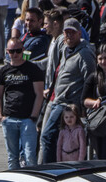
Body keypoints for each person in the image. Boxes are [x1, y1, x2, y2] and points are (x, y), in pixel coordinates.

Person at [39, 18, 95, 164]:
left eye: (72, 33)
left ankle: (48, 169)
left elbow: (90, 80)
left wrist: (83, 107)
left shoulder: (85, 54)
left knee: (47, 136)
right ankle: (55, 165)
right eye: (66, 32)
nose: (69, 36)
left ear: (79, 34)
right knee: (59, 138)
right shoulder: (64, 48)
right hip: (57, 100)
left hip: (69, 104)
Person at [0, 37, 45, 169]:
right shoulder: (3, 71)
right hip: (9, 118)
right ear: (7, 52)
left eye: (18, 51)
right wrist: (0, 116)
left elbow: (39, 94)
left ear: (23, 50)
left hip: (27, 119)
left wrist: (33, 117)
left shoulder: (33, 69)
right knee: (12, 157)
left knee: (29, 157)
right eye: (12, 51)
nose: (15, 54)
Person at [83, 44, 106, 159]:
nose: (103, 61)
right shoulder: (94, 77)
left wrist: (102, 102)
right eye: (100, 58)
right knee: (100, 152)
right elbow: (83, 99)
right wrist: (95, 103)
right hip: (100, 120)